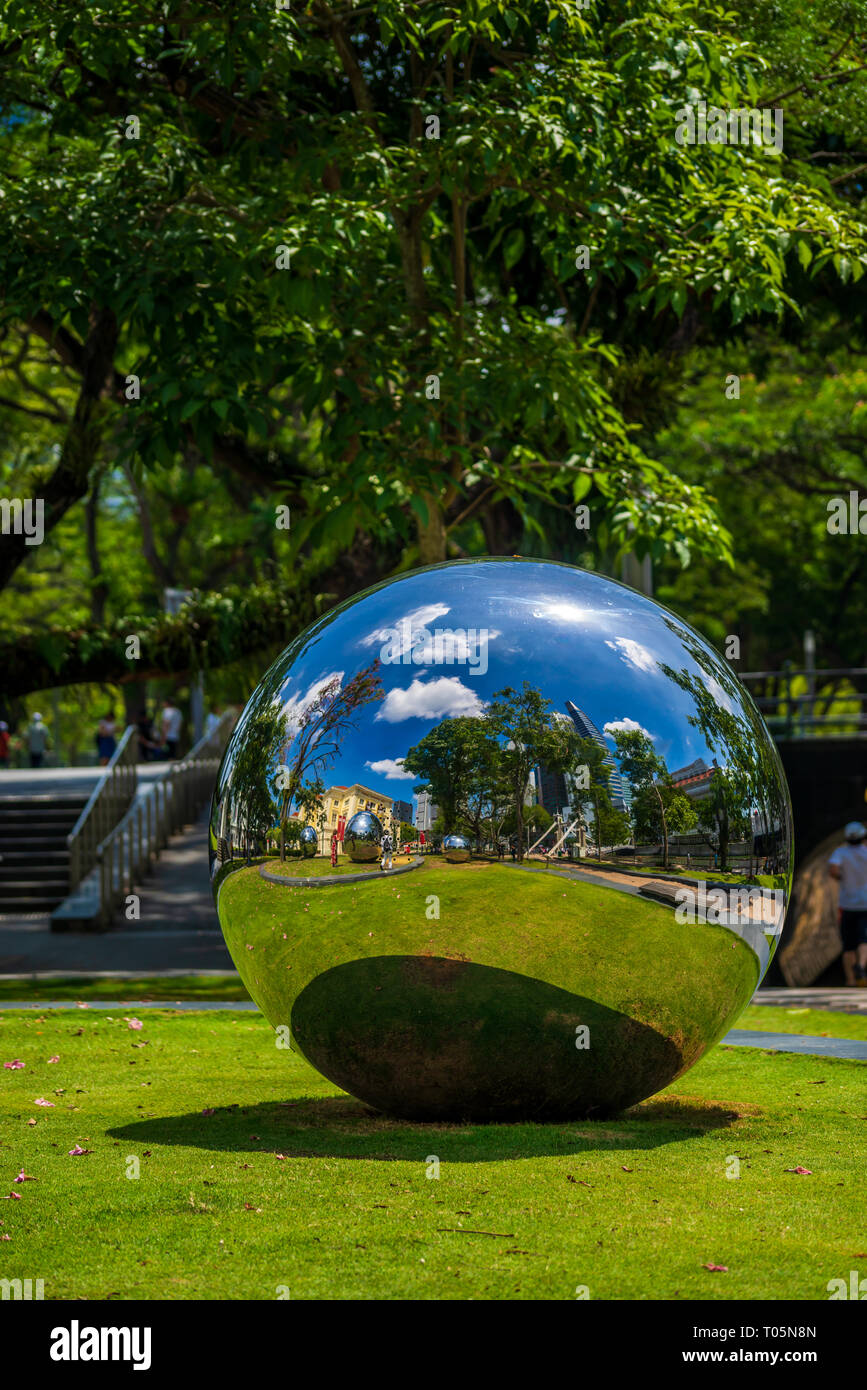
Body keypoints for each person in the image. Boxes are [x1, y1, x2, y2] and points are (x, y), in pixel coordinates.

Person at [828, 822, 867, 987]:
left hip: (846, 904)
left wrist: (844, 876)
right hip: (865, 904)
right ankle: (861, 966)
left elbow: (833, 870)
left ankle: (850, 980)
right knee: (864, 940)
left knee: (848, 944)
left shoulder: (840, 853)